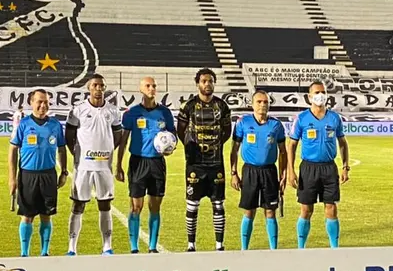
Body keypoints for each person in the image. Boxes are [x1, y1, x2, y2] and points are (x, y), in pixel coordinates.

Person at [286, 81, 350, 249]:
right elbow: (291, 145)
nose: (320, 95)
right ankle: (301, 247)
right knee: (306, 210)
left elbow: (343, 143)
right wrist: (291, 171)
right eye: (316, 92)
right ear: (309, 97)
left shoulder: (334, 118)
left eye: (323, 92)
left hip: (329, 168)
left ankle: (334, 248)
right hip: (308, 168)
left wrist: (345, 167)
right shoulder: (302, 118)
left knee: (331, 208)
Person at [116, 77, 175, 254]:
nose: (151, 88)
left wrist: (170, 148)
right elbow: (123, 141)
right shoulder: (131, 113)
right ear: (140, 89)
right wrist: (118, 165)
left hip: (157, 163)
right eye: (147, 86)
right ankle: (134, 248)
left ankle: (152, 247)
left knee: (155, 207)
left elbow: (173, 137)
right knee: (136, 207)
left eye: (153, 86)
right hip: (138, 162)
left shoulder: (165, 113)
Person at [65, 74, 122, 256]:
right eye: (95, 85)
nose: (98, 89)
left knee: (105, 205)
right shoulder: (78, 110)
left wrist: (108, 150)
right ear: (88, 88)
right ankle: (72, 248)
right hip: (83, 166)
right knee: (78, 205)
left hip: (104, 167)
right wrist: (76, 153)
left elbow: (118, 135)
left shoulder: (113, 111)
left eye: (101, 86)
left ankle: (107, 247)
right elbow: (69, 135)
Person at [176, 68, 232, 252]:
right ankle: (191, 244)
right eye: (204, 81)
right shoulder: (188, 106)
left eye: (210, 81)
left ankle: (219, 245)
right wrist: (191, 148)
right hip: (195, 164)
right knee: (192, 205)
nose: (207, 84)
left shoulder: (222, 106)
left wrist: (215, 145)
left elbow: (227, 131)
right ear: (197, 84)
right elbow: (181, 130)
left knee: (218, 204)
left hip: (216, 163)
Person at [8, 89, 68, 257]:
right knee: (27, 216)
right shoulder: (24, 124)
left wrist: (64, 172)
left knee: (46, 215)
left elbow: (61, 148)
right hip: (28, 175)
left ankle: (44, 252)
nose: (43, 105)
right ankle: (24, 253)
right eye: (39, 102)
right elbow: (13, 150)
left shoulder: (55, 125)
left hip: (48, 175)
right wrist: (12, 178)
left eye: (46, 102)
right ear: (31, 103)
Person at [230, 90, 287, 250]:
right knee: (249, 211)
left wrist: (283, 175)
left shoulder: (276, 125)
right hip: (250, 171)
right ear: (252, 104)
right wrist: (233, 173)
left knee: (270, 211)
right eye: (259, 102)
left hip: (270, 172)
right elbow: (234, 150)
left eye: (266, 102)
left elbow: (283, 152)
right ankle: (244, 249)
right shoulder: (243, 123)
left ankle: (273, 250)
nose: (263, 105)